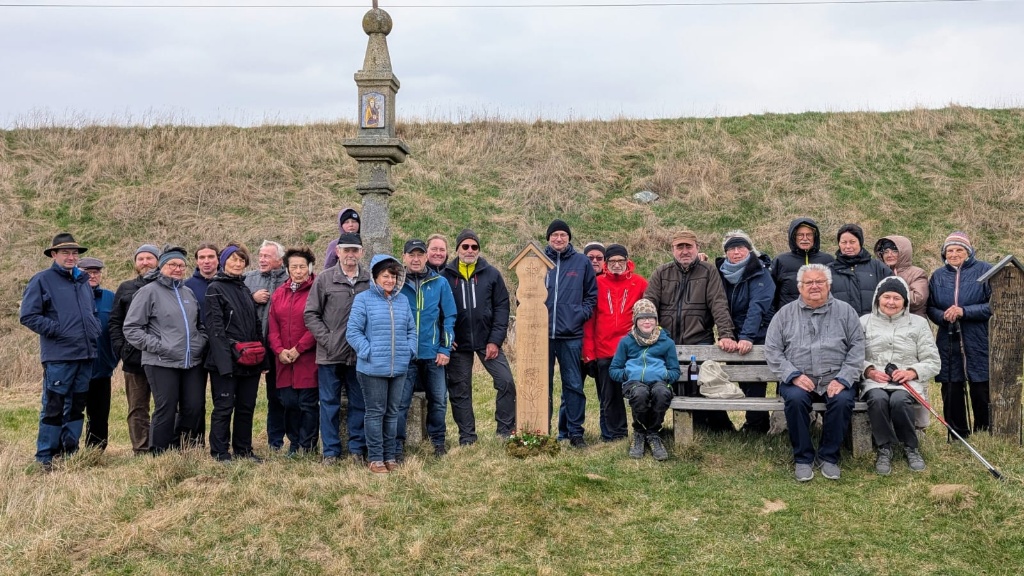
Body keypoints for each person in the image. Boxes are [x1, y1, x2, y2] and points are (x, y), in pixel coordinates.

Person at [765, 264, 863, 482]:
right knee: (796, 400)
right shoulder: (784, 314)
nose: (814, 286)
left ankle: (829, 457)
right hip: (799, 377)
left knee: (842, 400)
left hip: (834, 377)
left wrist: (843, 378)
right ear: (800, 287)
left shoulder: (846, 312)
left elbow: (857, 348)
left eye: (820, 282)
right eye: (809, 282)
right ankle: (803, 458)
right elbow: (772, 350)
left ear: (828, 285)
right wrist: (794, 375)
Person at [20, 233, 102, 469]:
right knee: (54, 406)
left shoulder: (82, 281)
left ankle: (70, 452)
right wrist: (59, 330)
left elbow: (91, 314)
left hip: (85, 355)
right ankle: (46, 456)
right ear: (54, 254)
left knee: (77, 405)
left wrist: (94, 330)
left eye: (74, 253)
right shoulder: (42, 280)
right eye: (65, 252)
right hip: (59, 356)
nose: (71, 256)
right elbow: (28, 315)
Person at [644, 230, 737, 432]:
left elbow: (718, 304)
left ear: (697, 248)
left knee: (700, 384)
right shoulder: (661, 273)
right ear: (673, 249)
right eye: (680, 247)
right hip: (667, 342)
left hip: (699, 340)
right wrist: (647, 333)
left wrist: (726, 334)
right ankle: (653, 429)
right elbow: (649, 305)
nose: (685, 251)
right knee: (665, 385)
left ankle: (715, 426)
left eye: (689, 247)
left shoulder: (708, 271)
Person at [123, 245, 208, 454]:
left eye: (181, 265)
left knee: (193, 407)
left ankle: (181, 448)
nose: (177, 269)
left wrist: (200, 341)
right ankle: (159, 452)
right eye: (172, 264)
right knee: (166, 408)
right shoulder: (148, 292)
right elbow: (131, 328)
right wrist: (159, 347)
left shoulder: (187, 292)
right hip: (160, 361)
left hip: (191, 361)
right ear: (162, 266)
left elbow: (199, 324)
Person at [442, 229, 517, 445]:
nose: (469, 250)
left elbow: (502, 307)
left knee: (506, 382)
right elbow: (437, 309)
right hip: (459, 343)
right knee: (460, 389)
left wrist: (495, 340)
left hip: (487, 341)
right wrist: (448, 336)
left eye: (474, 246)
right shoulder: (445, 276)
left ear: (479, 250)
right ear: (457, 249)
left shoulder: (491, 274)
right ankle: (467, 436)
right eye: (465, 246)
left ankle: (505, 429)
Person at [304, 232, 372, 465]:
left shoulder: (369, 281)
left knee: (359, 403)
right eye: (346, 250)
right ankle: (331, 452)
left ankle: (356, 450)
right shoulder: (324, 279)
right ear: (338, 252)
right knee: (329, 404)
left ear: (361, 253)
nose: (350, 254)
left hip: (359, 355)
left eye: (355, 250)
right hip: (330, 355)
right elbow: (311, 314)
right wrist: (328, 340)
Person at [860, 277, 940, 475]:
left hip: (906, 383)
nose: (891, 302)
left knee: (899, 400)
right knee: (877, 399)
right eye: (886, 297)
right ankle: (884, 448)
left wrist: (911, 371)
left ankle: (910, 447)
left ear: (905, 301)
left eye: (897, 298)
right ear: (878, 299)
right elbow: (852, 356)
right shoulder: (864, 322)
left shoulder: (919, 324)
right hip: (875, 381)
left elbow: (932, 361)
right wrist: (869, 370)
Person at [347, 255, 417, 474]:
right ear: (375, 277)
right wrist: (368, 352)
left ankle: (390, 455)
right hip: (371, 368)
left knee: (392, 412)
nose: (390, 280)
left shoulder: (402, 300)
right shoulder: (363, 299)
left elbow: (411, 330)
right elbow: (353, 332)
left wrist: (409, 350)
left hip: (399, 367)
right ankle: (376, 457)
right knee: (375, 412)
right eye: (385, 276)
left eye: (393, 276)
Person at [927, 231, 993, 439]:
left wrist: (964, 311)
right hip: (948, 336)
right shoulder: (938, 276)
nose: (954, 254)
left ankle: (984, 431)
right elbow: (930, 307)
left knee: (981, 386)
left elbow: (994, 305)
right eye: (950, 250)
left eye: (959, 250)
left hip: (977, 336)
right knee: (951, 386)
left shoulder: (985, 271)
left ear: (968, 252)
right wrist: (943, 315)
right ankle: (957, 434)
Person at [205, 243, 267, 461]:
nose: (238, 264)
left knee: (246, 407)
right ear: (223, 262)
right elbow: (215, 329)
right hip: (226, 361)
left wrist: (263, 359)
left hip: (249, 359)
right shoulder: (214, 289)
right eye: (233, 259)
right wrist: (225, 364)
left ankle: (244, 449)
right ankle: (220, 452)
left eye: (242, 260)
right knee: (223, 407)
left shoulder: (243, 288)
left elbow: (255, 324)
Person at [397, 239, 456, 459]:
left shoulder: (439, 282)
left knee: (439, 399)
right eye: (411, 255)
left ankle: (438, 442)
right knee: (400, 402)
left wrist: (445, 348)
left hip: (433, 354)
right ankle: (397, 445)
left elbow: (449, 316)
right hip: (406, 354)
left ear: (426, 257)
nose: (415, 259)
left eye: (420, 255)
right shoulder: (396, 283)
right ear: (404, 257)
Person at [582, 243, 645, 443]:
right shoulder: (598, 283)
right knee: (609, 396)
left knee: (639, 392)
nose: (617, 265)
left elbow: (649, 317)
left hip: (631, 349)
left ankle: (642, 430)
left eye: (620, 261)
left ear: (628, 262)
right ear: (606, 264)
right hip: (604, 349)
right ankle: (614, 434)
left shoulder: (640, 283)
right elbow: (590, 322)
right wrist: (589, 353)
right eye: (612, 261)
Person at [544, 220, 598, 447]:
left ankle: (576, 433)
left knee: (574, 386)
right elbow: (523, 293)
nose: (559, 238)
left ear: (569, 238)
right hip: (541, 336)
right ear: (548, 238)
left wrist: (579, 315)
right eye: (555, 235)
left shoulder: (581, 262)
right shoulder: (539, 261)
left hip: (571, 336)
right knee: (540, 385)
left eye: (563, 235)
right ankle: (539, 431)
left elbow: (591, 296)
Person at [715, 230, 775, 434]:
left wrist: (747, 337)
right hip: (734, 335)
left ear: (749, 250)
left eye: (741, 247)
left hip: (758, 334)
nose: (736, 252)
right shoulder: (721, 272)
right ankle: (754, 422)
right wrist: (728, 335)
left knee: (755, 380)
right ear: (726, 253)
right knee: (744, 381)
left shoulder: (760, 272)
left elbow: (758, 306)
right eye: (731, 248)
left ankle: (757, 425)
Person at [609, 299, 678, 461]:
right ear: (636, 321)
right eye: (642, 318)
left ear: (656, 321)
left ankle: (654, 432)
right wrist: (627, 375)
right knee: (640, 393)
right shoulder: (626, 342)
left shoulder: (666, 343)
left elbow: (675, 370)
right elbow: (614, 369)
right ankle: (639, 432)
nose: (647, 321)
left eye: (651, 318)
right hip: (634, 383)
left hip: (659, 382)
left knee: (661, 393)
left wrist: (665, 375)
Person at [109, 243, 161, 455]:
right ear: (135, 263)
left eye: (150, 258)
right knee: (138, 407)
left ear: (158, 261)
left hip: (162, 357)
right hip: (134, 359)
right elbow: (115, 322)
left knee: (166, 405)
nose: (145, 262)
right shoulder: (126, 288)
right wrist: (122, 349)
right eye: (141, 259)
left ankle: (161, 445)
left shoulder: (168, 286)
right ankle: (141, 448)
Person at [268, 248, 319, 455]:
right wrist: (279, 350)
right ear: (287, 269)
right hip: (284, 360)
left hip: (307, 358)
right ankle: (294, 442)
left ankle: (307, 445)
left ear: (309, 267)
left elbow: (317, 324)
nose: (298, 271)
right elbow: (273, 326)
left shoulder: (316, 289)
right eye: (293, 267)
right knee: (288, 402)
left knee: (307, 403)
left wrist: (299, 348)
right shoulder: (280, 292)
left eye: (302, 266)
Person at [244, 240, 289, 451]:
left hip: (279, 347)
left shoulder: (290, 279)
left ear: (279, 260)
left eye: (267, 256)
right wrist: (252, 299)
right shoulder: (249, 278)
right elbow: (236, 302)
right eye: (260, 255)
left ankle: (276, 441)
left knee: (278, 395)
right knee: (247, 397)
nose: (262, 259)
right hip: (253, 347)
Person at [79, 257, 118, 450]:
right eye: (87, 272)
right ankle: (68, 448)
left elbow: (119, 328)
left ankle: (96, 451)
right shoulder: (71, 296)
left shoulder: (110, 297)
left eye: (96, 272)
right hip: (76, 364)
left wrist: (114, 357)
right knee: (73, 410)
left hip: (102, 365)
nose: (92, 276)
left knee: (100, 413)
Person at [828, 224, 893, 315]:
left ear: (860, 242)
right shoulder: (828, 270)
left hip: (872, 325)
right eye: (844, 242)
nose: (848, 246)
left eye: (852, 242)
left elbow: (893, 295)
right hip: (840, 325)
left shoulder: (877, 267)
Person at [770, 217, 834, 310]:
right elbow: (771, 294)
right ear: (793, 237)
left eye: (809, 235)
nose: (805, 238)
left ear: (815, 237)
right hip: (790, 317)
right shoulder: (781, 261)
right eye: (800, 235)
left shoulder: (828, 260)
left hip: (823, 315)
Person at [874, 235, 928, 318]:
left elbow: (918, 298)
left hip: (912, 323)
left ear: (904, 252)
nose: (889, 255)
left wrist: (888, 295)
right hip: (885, 323)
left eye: (894, 251)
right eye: (886, 252)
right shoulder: (878, 272)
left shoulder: (917, 273)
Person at [185, 242, 220, 321]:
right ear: (197, 261)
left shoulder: (228, 284)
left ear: (218, 259)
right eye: (202, 257)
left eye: (211, 257)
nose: (206, 261)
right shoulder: (186, 286)